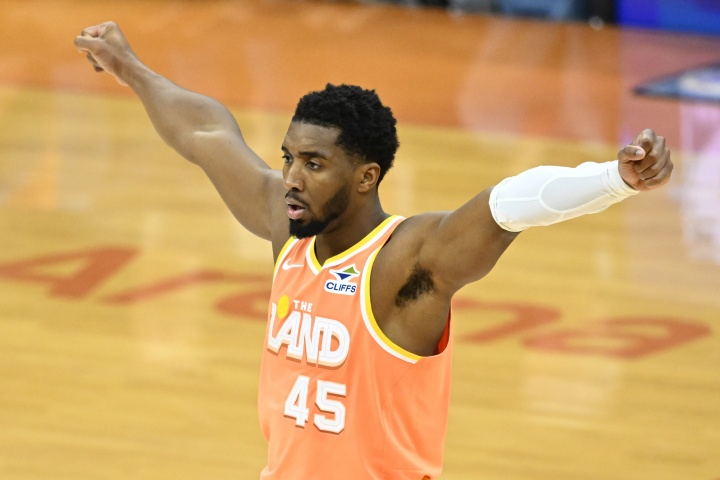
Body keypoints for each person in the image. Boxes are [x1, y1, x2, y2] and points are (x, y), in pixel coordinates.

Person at [74, 22, 673, 480]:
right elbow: (206, 133)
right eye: (288, 158)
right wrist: (130, 68)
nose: (291, 178)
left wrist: (615, 179)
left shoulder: (406, 264)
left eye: (314, 164)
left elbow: (508, 204)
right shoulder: (289, 231)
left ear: (366, 177)